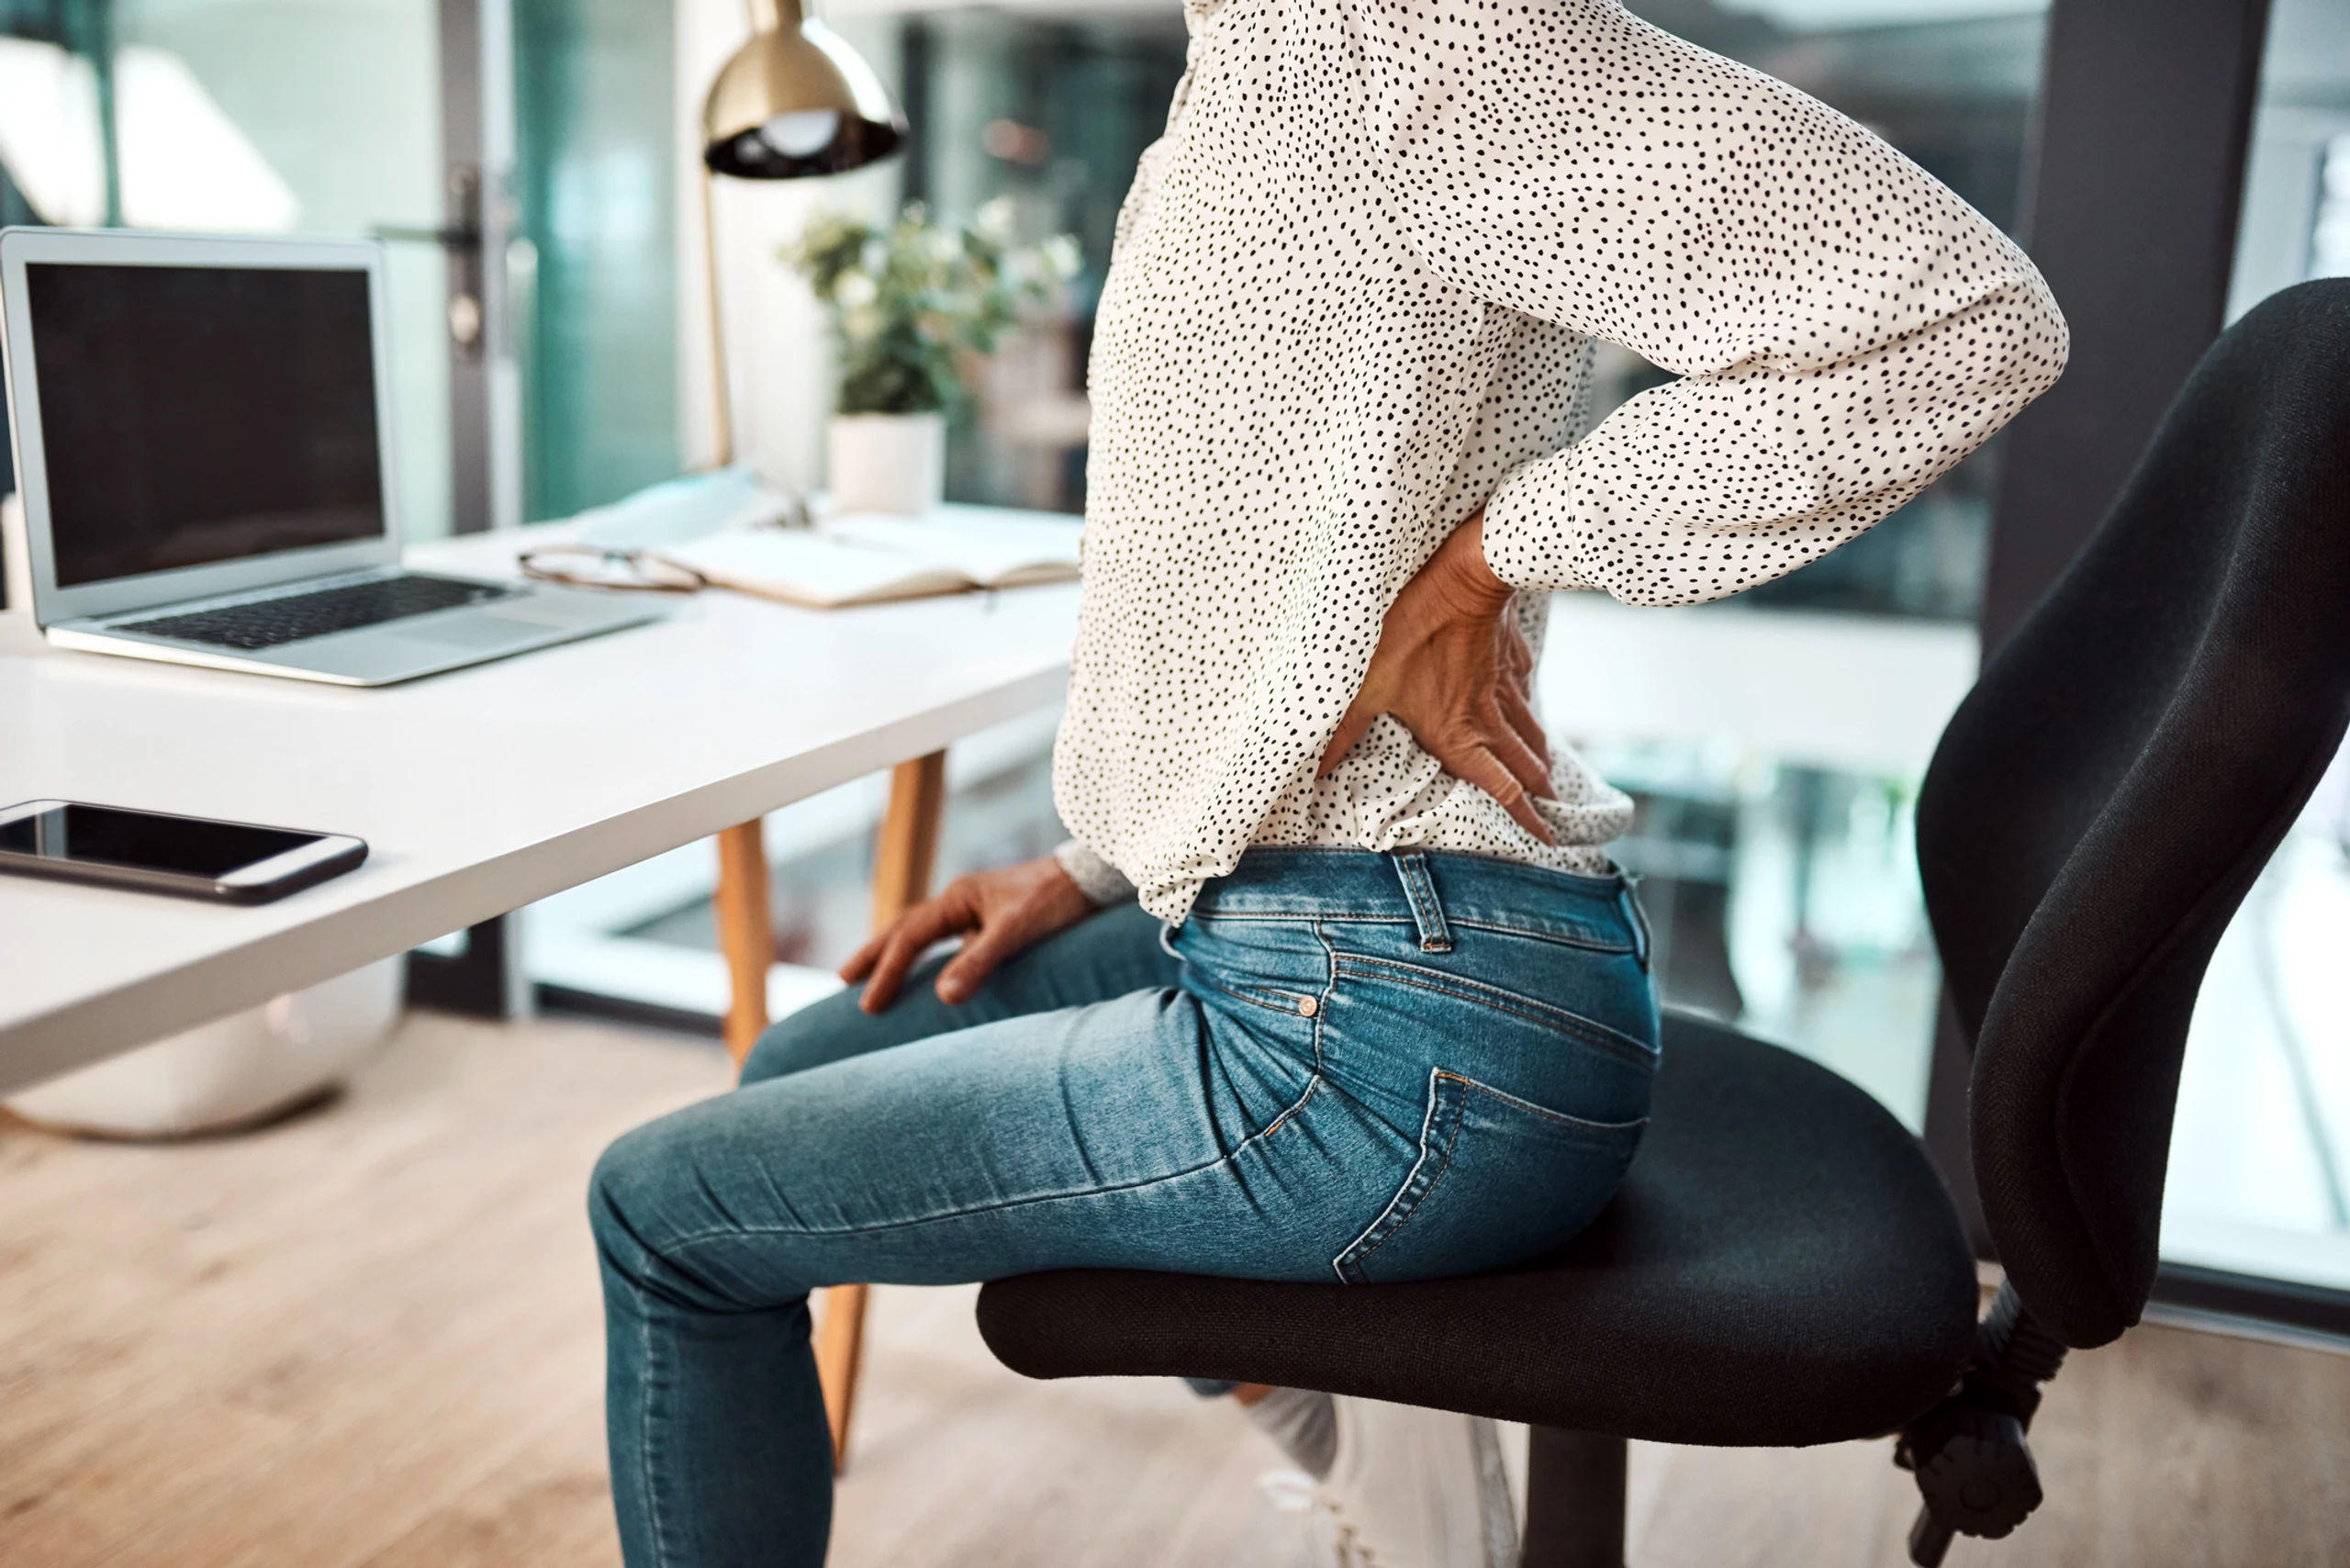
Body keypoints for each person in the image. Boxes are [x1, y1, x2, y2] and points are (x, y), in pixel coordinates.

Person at [588, 2, 2067, 1563]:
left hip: (1394, 1024)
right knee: (801, 1076)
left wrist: (1495, 564)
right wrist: (1099, 861)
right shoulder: (1249, 65)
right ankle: (1379, 1474)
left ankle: (1392, 1483)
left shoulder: (1427, 40)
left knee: (663, 1213)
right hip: (1331, 925)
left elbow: (1964, 320)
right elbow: (1266, 591)